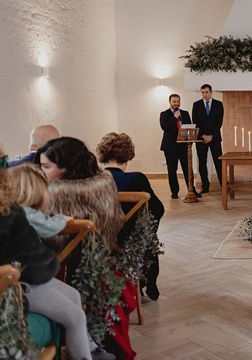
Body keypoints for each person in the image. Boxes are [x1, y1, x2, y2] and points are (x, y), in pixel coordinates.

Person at [8, 163, 115, 360]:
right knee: (76, 317)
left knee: (74, 295)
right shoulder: (22, 212)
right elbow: (47, 226)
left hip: (33, 276)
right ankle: (85, 355)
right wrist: (63, 220)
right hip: (23, 283)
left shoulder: (19, 211)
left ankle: (86, 348)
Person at [97, 132, 164, 300]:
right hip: (130, 237)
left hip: (101, 236)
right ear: (127, 155)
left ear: (103, 155)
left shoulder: (94, 179)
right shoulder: (137, 178)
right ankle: (145, 282)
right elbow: (158, 209)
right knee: (148, 233)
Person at [35, 137, 124, 250]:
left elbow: (48, 239)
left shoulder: (55, 194)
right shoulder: (103, 185)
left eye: (46, 166)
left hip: (62, 260)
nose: (41, 171)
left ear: (67, 168)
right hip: (102, 254)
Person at [191, 84, 224, 194]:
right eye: (203, 92)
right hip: (201, 139)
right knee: (202, 163)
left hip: (214, 138)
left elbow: (219, 123)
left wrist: (211, 136)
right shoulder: (196, 105)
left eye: (206, 92)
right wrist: (203, 136)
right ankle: (205, 186)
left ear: (211, 92)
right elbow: (195, 122)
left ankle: (224, 186)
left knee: (219, 163)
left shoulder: (219, 104)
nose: (204, 94)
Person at [160, 93, 192, 199]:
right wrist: (174, 117)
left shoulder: (185, 113)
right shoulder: (164, 114)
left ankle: (191, 190)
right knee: (172, 170)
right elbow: (165, 127)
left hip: (184, 146)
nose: (176, 104)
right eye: (174, 101)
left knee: (187, 169)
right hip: (170, 147)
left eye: (178, 101)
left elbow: (190, 128)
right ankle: (174, 192)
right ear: (170, 102)